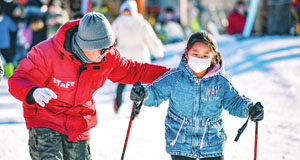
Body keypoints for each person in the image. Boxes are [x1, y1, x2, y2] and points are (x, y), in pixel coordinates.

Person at [8, 12, 170, 160]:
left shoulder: (107, 56)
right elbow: (17, 80)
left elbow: (135, 70)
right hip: (45, 119)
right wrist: (33, 92)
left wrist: (171, 74)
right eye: (103, 49)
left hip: (78, 121)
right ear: (86, 45)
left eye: (110, 46)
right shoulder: (47, 53)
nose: (108, 52)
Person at [130, 31, 264, 160]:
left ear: (213, 56)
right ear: (187, 53)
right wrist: (143, 94)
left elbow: (235, 102)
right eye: (195, 54)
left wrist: (249, 109)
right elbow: (156, 93)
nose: (200, 59)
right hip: (180, 142)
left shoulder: (220, 81)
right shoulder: (175, 78)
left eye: (205, 55)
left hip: (212, 144)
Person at [111, 0, 164, 113]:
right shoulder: (118, 23)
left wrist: (157, 51)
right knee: (121, 85)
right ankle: (118, 105)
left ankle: (135, 109)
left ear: (133, 12)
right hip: (124, 61)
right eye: (124, 12)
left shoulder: (142, 23)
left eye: (128, 12)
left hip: (139, 59)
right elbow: (110, 37)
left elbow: (151, 39)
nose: (126, 15)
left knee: (137, 88)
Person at [0, 4, 17, 78]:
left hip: (4, 44)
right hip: (4, 43)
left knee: (8, 60)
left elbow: (13, 28)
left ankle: (10, 76)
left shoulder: (7, 19)